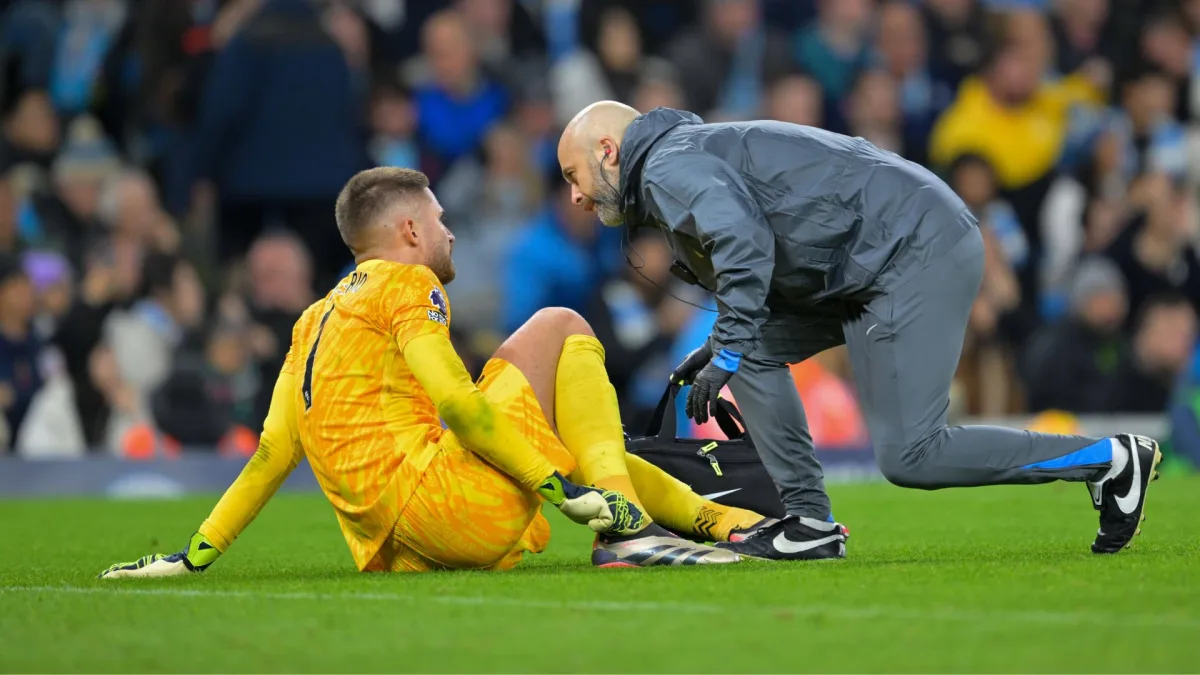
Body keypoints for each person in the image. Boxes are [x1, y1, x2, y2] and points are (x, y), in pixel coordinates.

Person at [555, 101, 1163, 561]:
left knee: (911, 454)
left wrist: (731, 344)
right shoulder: (683, 154)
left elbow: (744, 244)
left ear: (609, 150)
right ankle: (809, 524)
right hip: (871, 257)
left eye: (573, 173)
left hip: (909, 251)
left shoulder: (666, 165)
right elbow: (780, 237)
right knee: (756, 351)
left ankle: (1110, 458)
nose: (576, 195)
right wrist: (724, 346)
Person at [99, 168, 768, 578]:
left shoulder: (314, 321)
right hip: (447, 504)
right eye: (442, 220)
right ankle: (631, 535)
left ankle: (719, 521)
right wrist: (562, 490)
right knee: (561, 324)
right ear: (411, 231)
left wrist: (194, 555)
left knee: (589, 446)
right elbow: (459, 405)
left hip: (402, 547)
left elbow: (273, 451)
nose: (451, 233)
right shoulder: (407, 285)